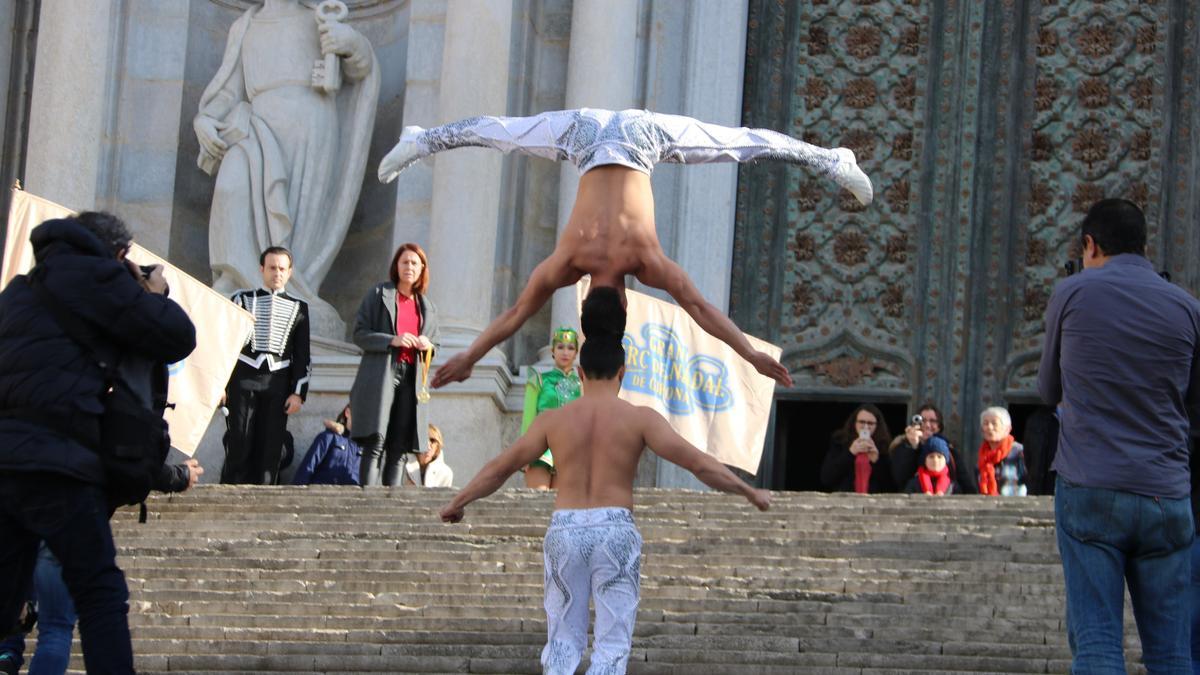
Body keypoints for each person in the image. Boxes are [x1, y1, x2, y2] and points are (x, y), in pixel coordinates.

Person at [380, 109, 874, 389]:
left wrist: (750, 354)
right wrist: (468, 356)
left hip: (640, 139)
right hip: (590, 133)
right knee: (506, 134)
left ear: (622, 304)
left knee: (738, 145)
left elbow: (703, 310)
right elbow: (511, 315)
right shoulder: (569, 262)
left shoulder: (646, 261)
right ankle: (424, 139)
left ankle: (832, 159)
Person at [439, 287, 771, 674]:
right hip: (615, 529)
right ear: (623, 372)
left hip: (565, 528)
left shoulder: (553, 421)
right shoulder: (640, 419)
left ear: (579, 373)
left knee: (562, 640)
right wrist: (748, 490)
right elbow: (698, 463)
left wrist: (457, 501)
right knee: (612, 643)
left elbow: (500, 467)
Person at [0, 212, 196, 673]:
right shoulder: (100, 277)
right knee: (100, 593)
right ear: (118, 253)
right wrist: (152, 292)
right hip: (59, 462)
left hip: (4, 460)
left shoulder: (19, 290)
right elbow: (177, 336)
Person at [1039, 198, 1200, 672]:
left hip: (1091, 485)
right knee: (1172, 651)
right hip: (1167, 495)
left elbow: (1048, 390)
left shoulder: (1072, 292)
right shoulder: (1188, 307)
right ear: (1145, 246)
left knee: (1097, 645)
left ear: (1090, 244)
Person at [194, 0, 378, 332]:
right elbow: (229, 89)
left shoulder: (317, 18)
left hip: (311, 123)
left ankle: (294, 283)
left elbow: (359, 69)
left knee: (297, 213)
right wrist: (205, 120)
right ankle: (235, 279)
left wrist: (348, 43)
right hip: (257, 123)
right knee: (231, 185)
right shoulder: (246, 25)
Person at [0, 458, 203, 674]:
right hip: (70, 513)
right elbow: (130, 455)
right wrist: (177, 475)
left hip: (20, 505)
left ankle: (7, 654)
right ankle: (7, 652)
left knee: (17, 606)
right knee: (56, 628)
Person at [349, 243, 440, 486]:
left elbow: (436, 347)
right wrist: (393, 340)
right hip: (382, 373)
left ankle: (392, 498)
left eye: (414, 263)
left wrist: (428, 346)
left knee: (400, 445)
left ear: (422, 269)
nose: (409, 267)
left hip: (412, 377)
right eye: (404, 262)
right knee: (376, 438)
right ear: (396, 266)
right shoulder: (380, 293)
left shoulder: (428, 307)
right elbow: (359, 334)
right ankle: (367, 498)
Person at [221, 246, 311, 485]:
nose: (277, 273)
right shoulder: (241, 298)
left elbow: (302, 354)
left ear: (289, 272)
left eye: (282, 268)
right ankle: (229, 490)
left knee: (271, 443)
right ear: (262, 269)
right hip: (243, 377)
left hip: (278, 381)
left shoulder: (299, 307)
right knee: (239, 437)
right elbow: (226, 345)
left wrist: (298, 393)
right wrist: (220, 384)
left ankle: (263, 492)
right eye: (272, 267)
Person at [521, 327, 582, 489]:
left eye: (570, 348)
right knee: (537, 500)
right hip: (540, 447)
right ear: (553, 351)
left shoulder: (582, 386)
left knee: (562, 509)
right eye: (560, 347)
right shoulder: (538, 380)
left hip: (570, 450)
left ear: (576, 353)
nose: (565, 352)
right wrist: (524, 453)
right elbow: (528, 418)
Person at [890, 403, 977, 493]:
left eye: (933, 421)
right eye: (923, 420)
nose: (927, 425)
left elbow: (965, 482)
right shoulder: (904, 447)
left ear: (939, 426)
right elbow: (900, 479)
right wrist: (912, 447)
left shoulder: (949, 451)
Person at [819, 404, 895, 493]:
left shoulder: (885, 447)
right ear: (854, 423)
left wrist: (876, 462)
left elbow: (892, 487)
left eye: (870, 423)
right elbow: (827, 478)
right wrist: (850, 453)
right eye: (862, 422)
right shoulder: (840, 443)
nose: (865, 427)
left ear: (877, 426)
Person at [292, 405, 362, 486]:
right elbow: (307, 469)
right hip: (320, 494)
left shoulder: (367, 447)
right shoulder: (329, 437)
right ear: (347, 412)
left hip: (351, 496)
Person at [976, 406, 1027, 497]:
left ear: (1007, 429)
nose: (989, 427)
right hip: (986, 506)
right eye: (985, 423)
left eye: (994, 423)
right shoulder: (982, 454)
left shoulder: (1019, 452)